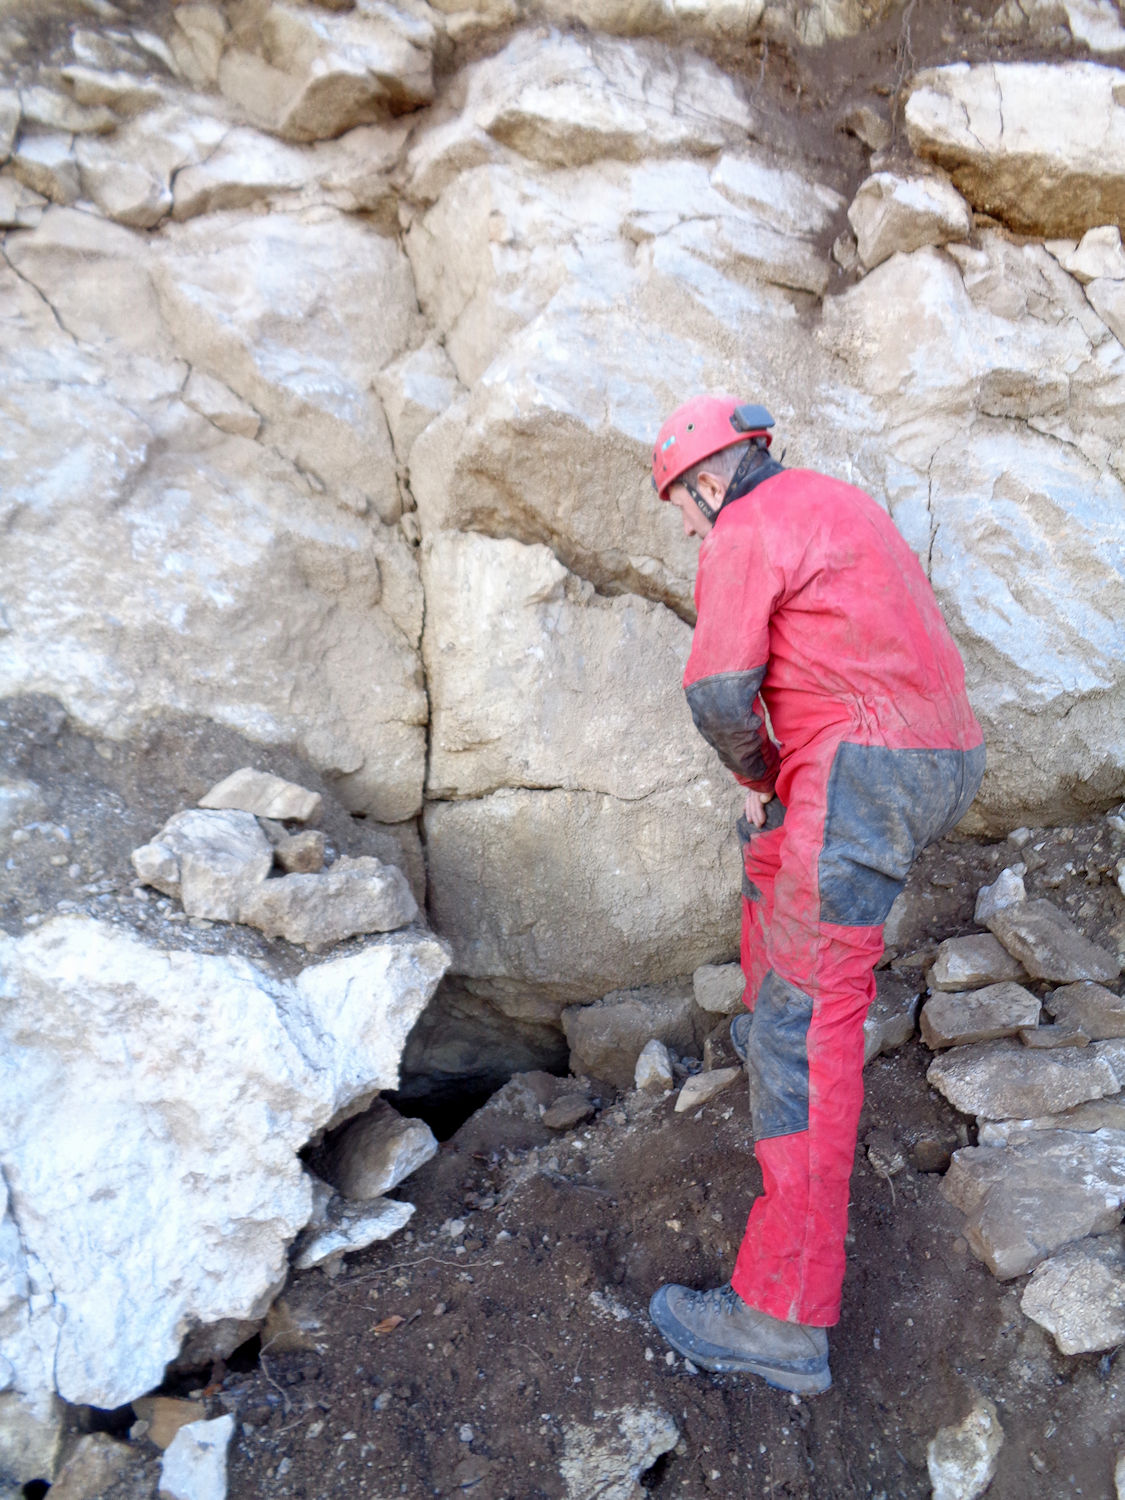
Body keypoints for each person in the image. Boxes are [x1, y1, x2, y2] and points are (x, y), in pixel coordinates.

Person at [646, 394, 985, 1395]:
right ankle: (767, 1019)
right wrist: (773, 793)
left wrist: (755, 772)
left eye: (683, 510)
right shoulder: (836, 503)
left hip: (863, 770)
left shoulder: (745, 525)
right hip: (937, 757)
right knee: (770, 848)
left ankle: (781, 1318)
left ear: (708, 481)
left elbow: (718, 693)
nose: (690, 530)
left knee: (809, 1025)